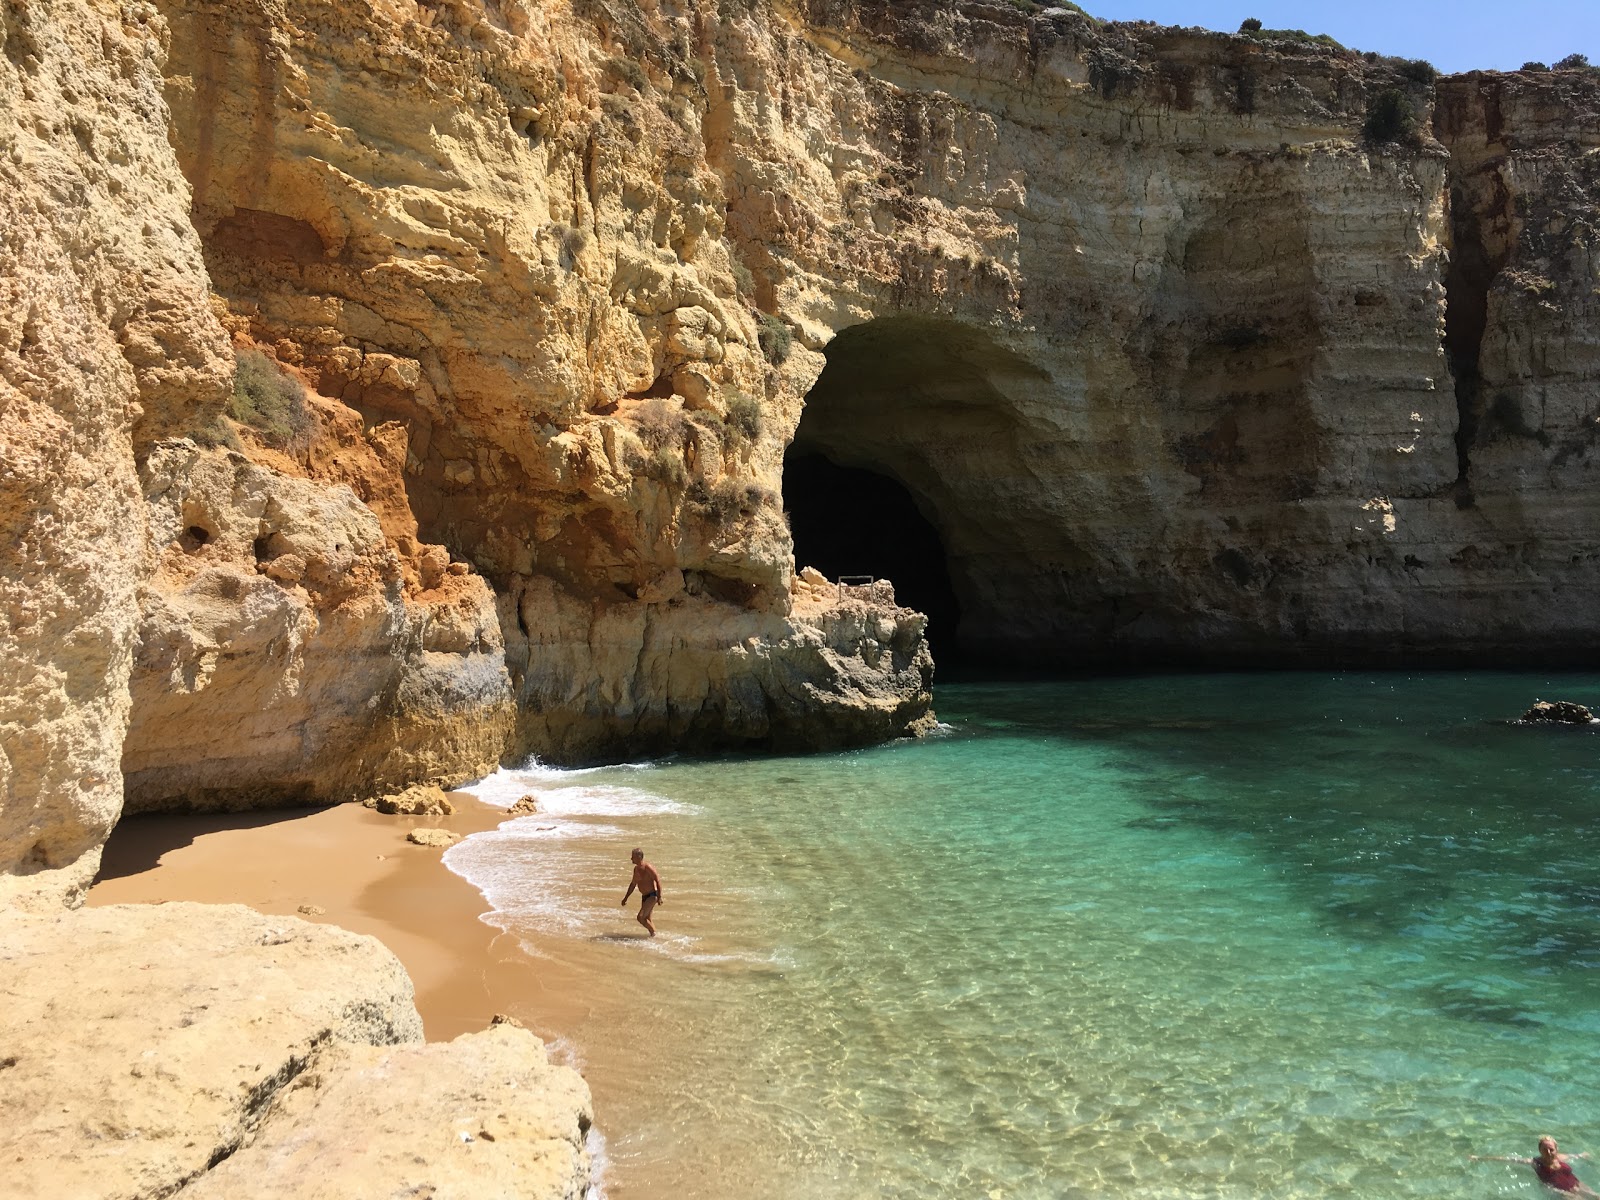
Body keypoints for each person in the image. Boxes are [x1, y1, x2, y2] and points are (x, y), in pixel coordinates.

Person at [1471, 1136, 1595, 1194]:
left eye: (1551, 1149)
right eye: (1544, 1149)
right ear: (1539, 1150)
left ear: (1556, 1149)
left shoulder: (1562, 1157)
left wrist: (1583, 1155)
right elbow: (1507, 1159)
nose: (1548, 1152)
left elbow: (1576, 1156)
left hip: (1576, 1184)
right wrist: (1480, 1158)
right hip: (1560, 1192)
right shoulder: (1535, 1163)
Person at [620, 847, 663, 937]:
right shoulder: (636, 869)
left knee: (640, 917)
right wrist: (625, 898)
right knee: (647, 919)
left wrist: (659, 897)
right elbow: (633, 884)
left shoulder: (648, 867)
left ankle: (655, 934)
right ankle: (653, 937)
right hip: (645, 896)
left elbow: (657, 880)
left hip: (652, 895)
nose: (631, 859)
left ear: (639, 857)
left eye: (633, 857)